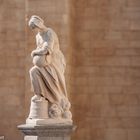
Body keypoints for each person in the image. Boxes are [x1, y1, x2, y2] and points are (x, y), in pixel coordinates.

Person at [28, 15, 71, 119]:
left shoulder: (49, 32)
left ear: (39, 24)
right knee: (33, 71)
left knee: (55, 82)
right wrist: (37, 55)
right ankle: (39, 96)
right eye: (33, 28)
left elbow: (47, 49)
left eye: (35, 27)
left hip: (53, 62)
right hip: (43, 63)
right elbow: (40, 48)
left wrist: (34, 53)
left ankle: (57, 102)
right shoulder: (38, 36)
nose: (35, 30)